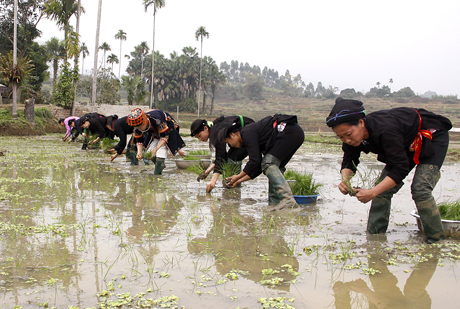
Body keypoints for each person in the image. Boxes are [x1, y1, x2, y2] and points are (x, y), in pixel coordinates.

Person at [326, 97, 452, 243]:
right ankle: (374, 239)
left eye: (348, 134)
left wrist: (372, 192)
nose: (346, 140)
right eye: (340, 137)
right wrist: (345, 181)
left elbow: (400, 168)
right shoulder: (351, 139)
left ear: (361, 123)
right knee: (382, 191)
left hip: (431, 135)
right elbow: (349, 160)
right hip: (404, 144)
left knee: (421, 189)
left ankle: (436, 242)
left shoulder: (385, 129)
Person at [218, 114, 305, 211]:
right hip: (294, 134)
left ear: (233, 134)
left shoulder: (246, 132)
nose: (231, 145)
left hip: (288, 132)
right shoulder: (249, 135)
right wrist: (238, 180)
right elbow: (259, 165)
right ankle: (276, 203)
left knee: (269, 163)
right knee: (274, 166)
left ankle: (287, 200)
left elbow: (255, 161)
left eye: (228, 142)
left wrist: (238, 176)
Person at [190, 115, 254, 192]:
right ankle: (231, 184)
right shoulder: (215, 129)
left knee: (233, 158)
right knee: (229, 158)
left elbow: (221, 157)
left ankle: (233, 186)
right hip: (241, 137)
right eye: (198, 138)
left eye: (199, 136)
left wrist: (213, 182)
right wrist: (207, 171)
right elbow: (221, 156)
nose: (200, 139)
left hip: (250, 134)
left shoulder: (217, 131)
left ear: (206, 128)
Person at [127, 108, 186, 175]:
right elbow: (139, 140)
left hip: (166, 128)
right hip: (153, 131)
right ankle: (160, 165)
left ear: (145, 121)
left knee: (161, 151)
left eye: (140, 127)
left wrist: (155, 150)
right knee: (148, 152)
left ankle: (157, 174)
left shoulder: (157, 120)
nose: (139, 129)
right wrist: (139, 152)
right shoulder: (136, 127)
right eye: (137, 128)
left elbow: (165, 137)